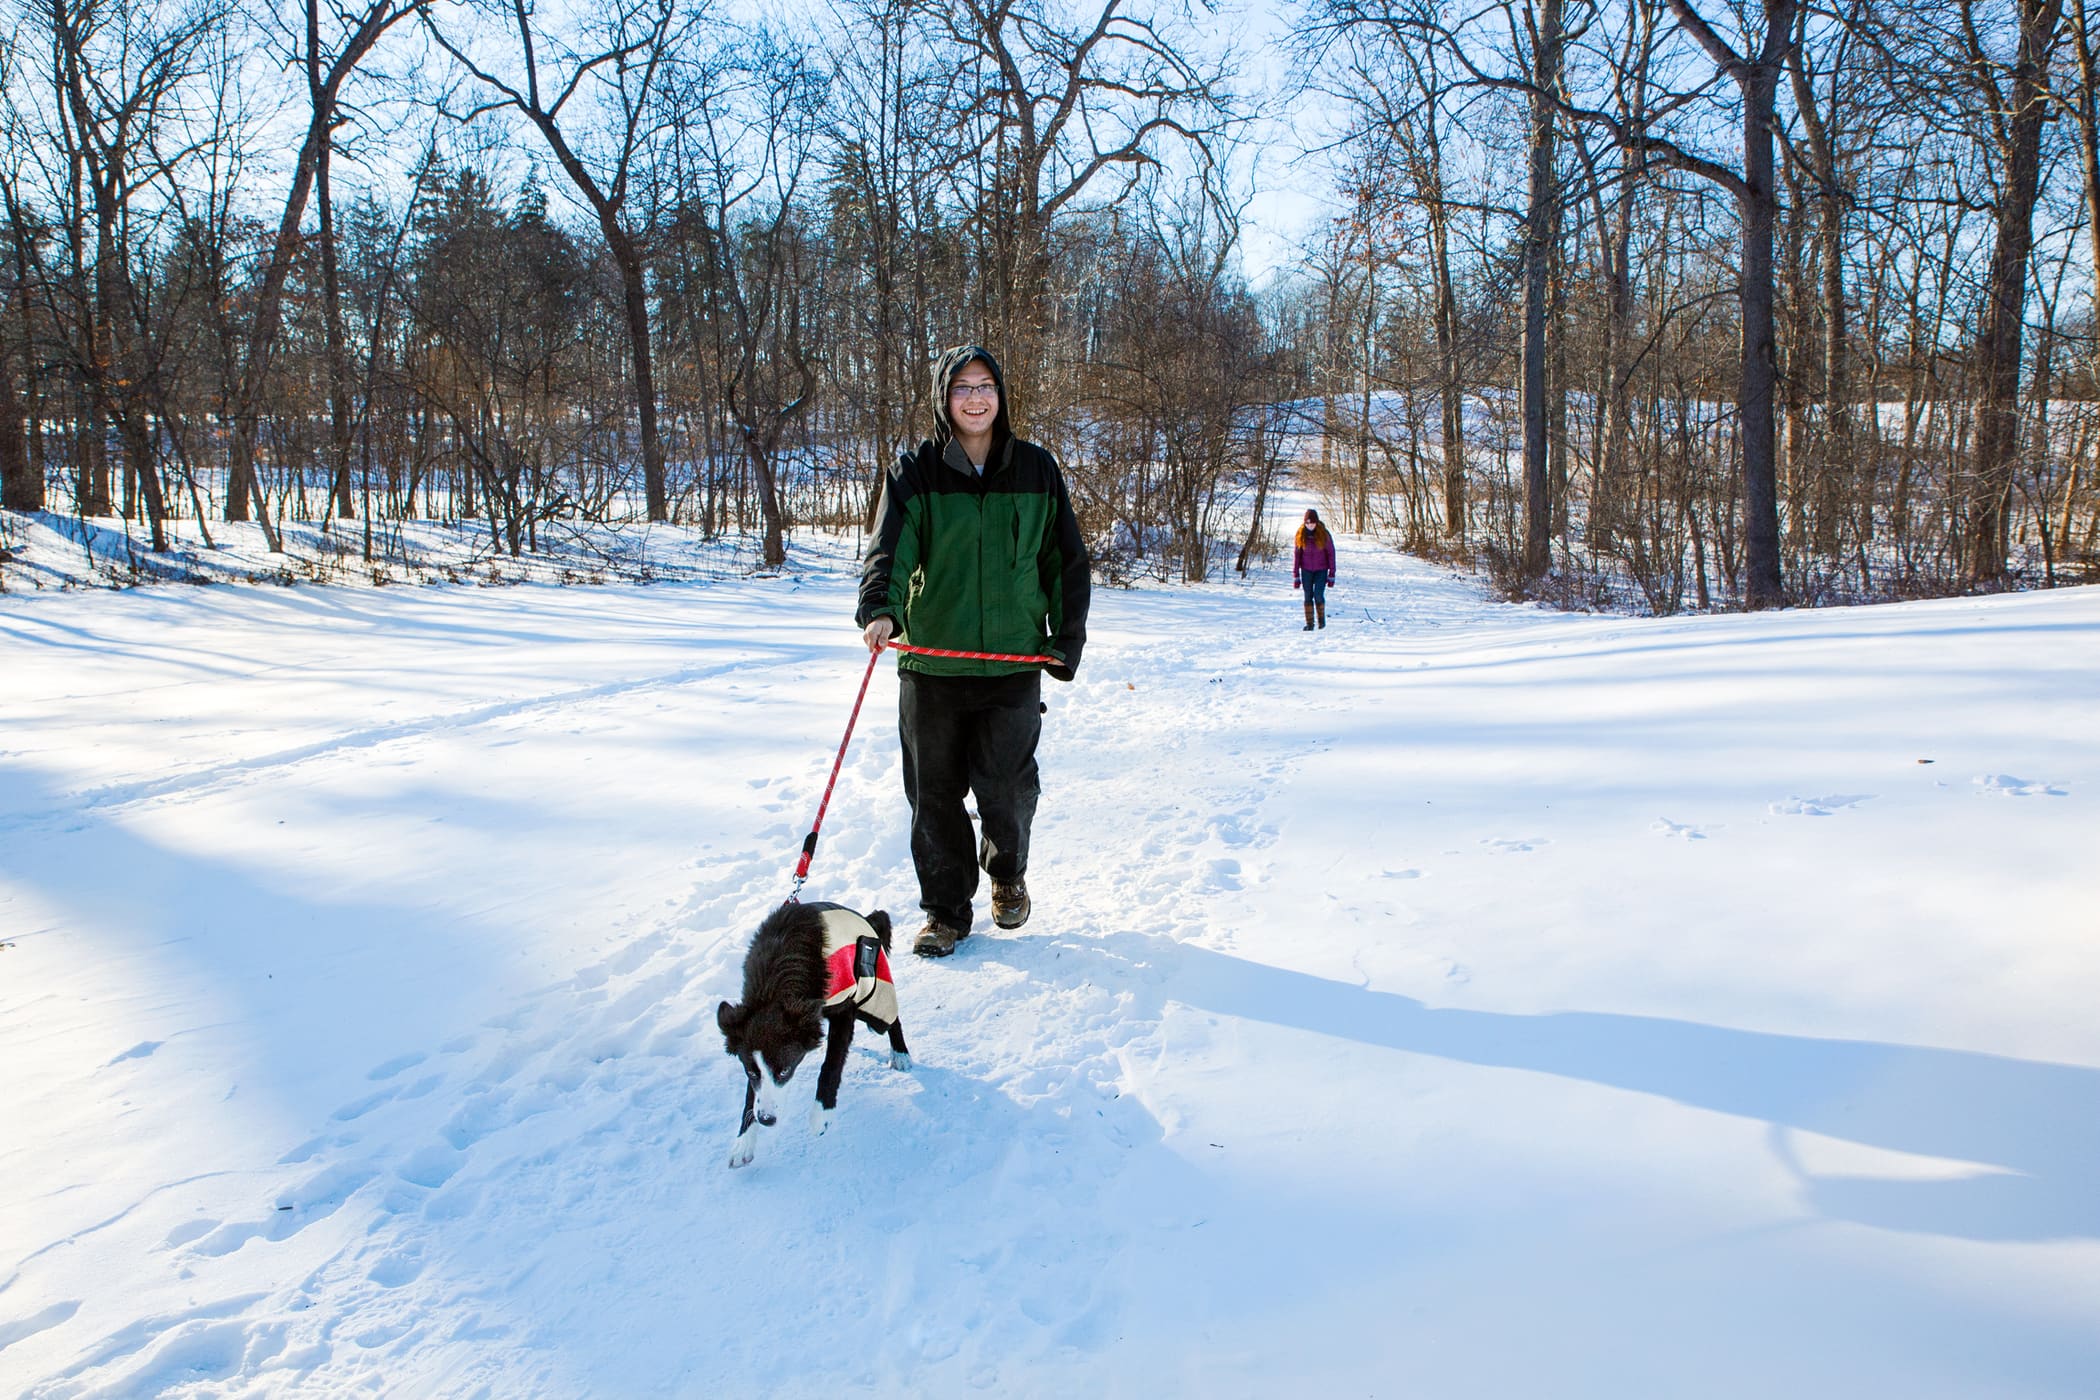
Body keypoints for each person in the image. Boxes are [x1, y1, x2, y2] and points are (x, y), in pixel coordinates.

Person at [857, 346, 1091, 957]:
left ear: (1001, 395)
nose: (976, 398)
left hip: (1011, 664)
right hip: (933, 667)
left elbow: (1065, 560)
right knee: (932, 797)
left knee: (1007, 790)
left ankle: (1007, 873)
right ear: (944, 397)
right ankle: (944, 913)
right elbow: (889, 550)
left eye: (986, 385)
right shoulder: (916, 471)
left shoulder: (1037, 469)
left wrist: (1065, 640)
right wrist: (882, 608)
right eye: (963, 387)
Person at [1293, 507, 1337, 630]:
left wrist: (1331, 574)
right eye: (1308, 523)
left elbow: (1331, 554)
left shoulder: (1324, 534)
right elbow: (1297, 556)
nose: (1310, 525)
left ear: (1316, 522)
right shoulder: (1300, 535)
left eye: (1312, 523)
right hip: (1306, 570)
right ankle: (1309, 624)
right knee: (1308, 596)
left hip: (1321, 570)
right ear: (1304, 523)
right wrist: (1296, 575)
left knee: (1318, 594)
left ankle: (1321, 621)